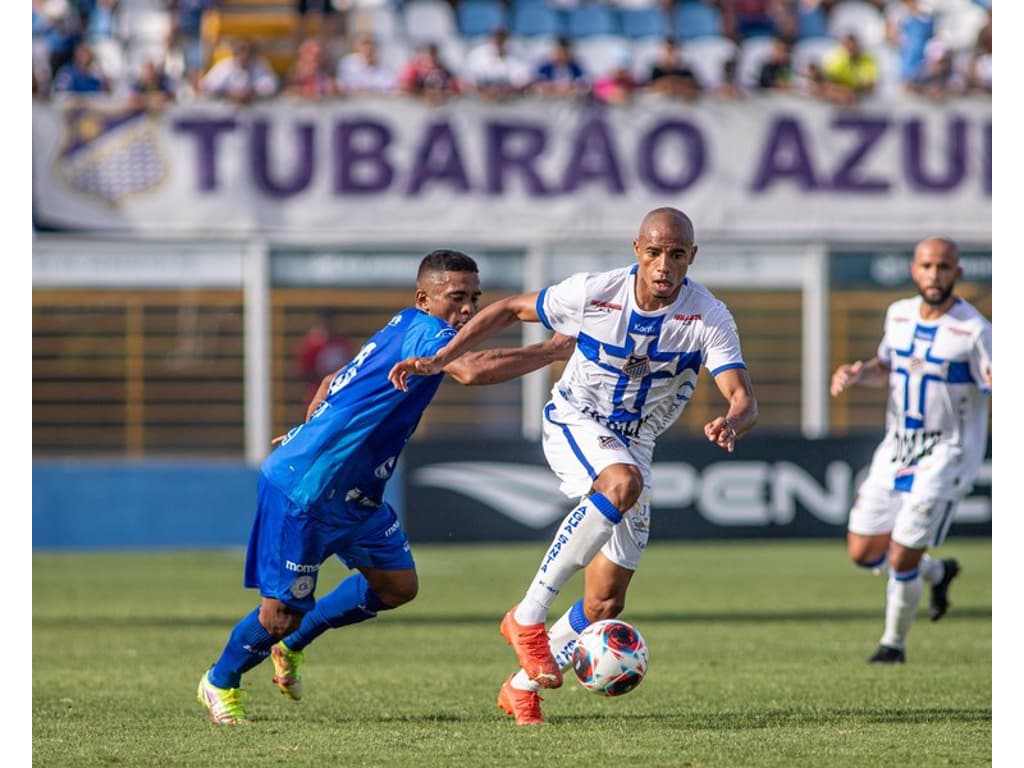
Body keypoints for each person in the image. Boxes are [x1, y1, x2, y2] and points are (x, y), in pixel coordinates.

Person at [389, 208, 758, 725]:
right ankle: (527, 615)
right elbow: (509, 310)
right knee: (620, 482)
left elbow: (743, 397)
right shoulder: (594, 292)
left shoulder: (708, 316)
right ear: (637, 250)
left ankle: (520, 688)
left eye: (676, 255)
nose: (663, 265)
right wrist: (438, 357)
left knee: (605, 603)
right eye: (654, 252)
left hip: (638, 442)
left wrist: (733, 421)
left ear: (691, 257)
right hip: (576, 419)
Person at [196, 250, 575, 725]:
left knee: (396, 586)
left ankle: (294, 642)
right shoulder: (429, 332)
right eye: (456, 298)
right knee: (277, 615)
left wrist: (318, 424)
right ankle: (220, 680)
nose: (467, 310)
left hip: (355, 493)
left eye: (474, 299)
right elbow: (473, 370)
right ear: (425, 298)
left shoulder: (402, 324)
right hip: (307, 490)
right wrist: (552, 350)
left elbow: (336, 378)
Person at [830, 237, 991, 665]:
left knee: (902, 553)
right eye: (927, 266)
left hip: (947, 454)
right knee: (863, 552)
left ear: (957, 273)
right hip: (896, 448)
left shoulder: (974, 331)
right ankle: (938, 572)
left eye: (944, 267)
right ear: (914, 270)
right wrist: (858, 372)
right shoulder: (898, 315)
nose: (935, 275)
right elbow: (885, 366)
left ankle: (892, 646)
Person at [294, 310, 355, 405]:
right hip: (317, 392)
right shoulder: (312, 344)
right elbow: (303, 370)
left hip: (339, 391)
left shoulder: (340, 342)